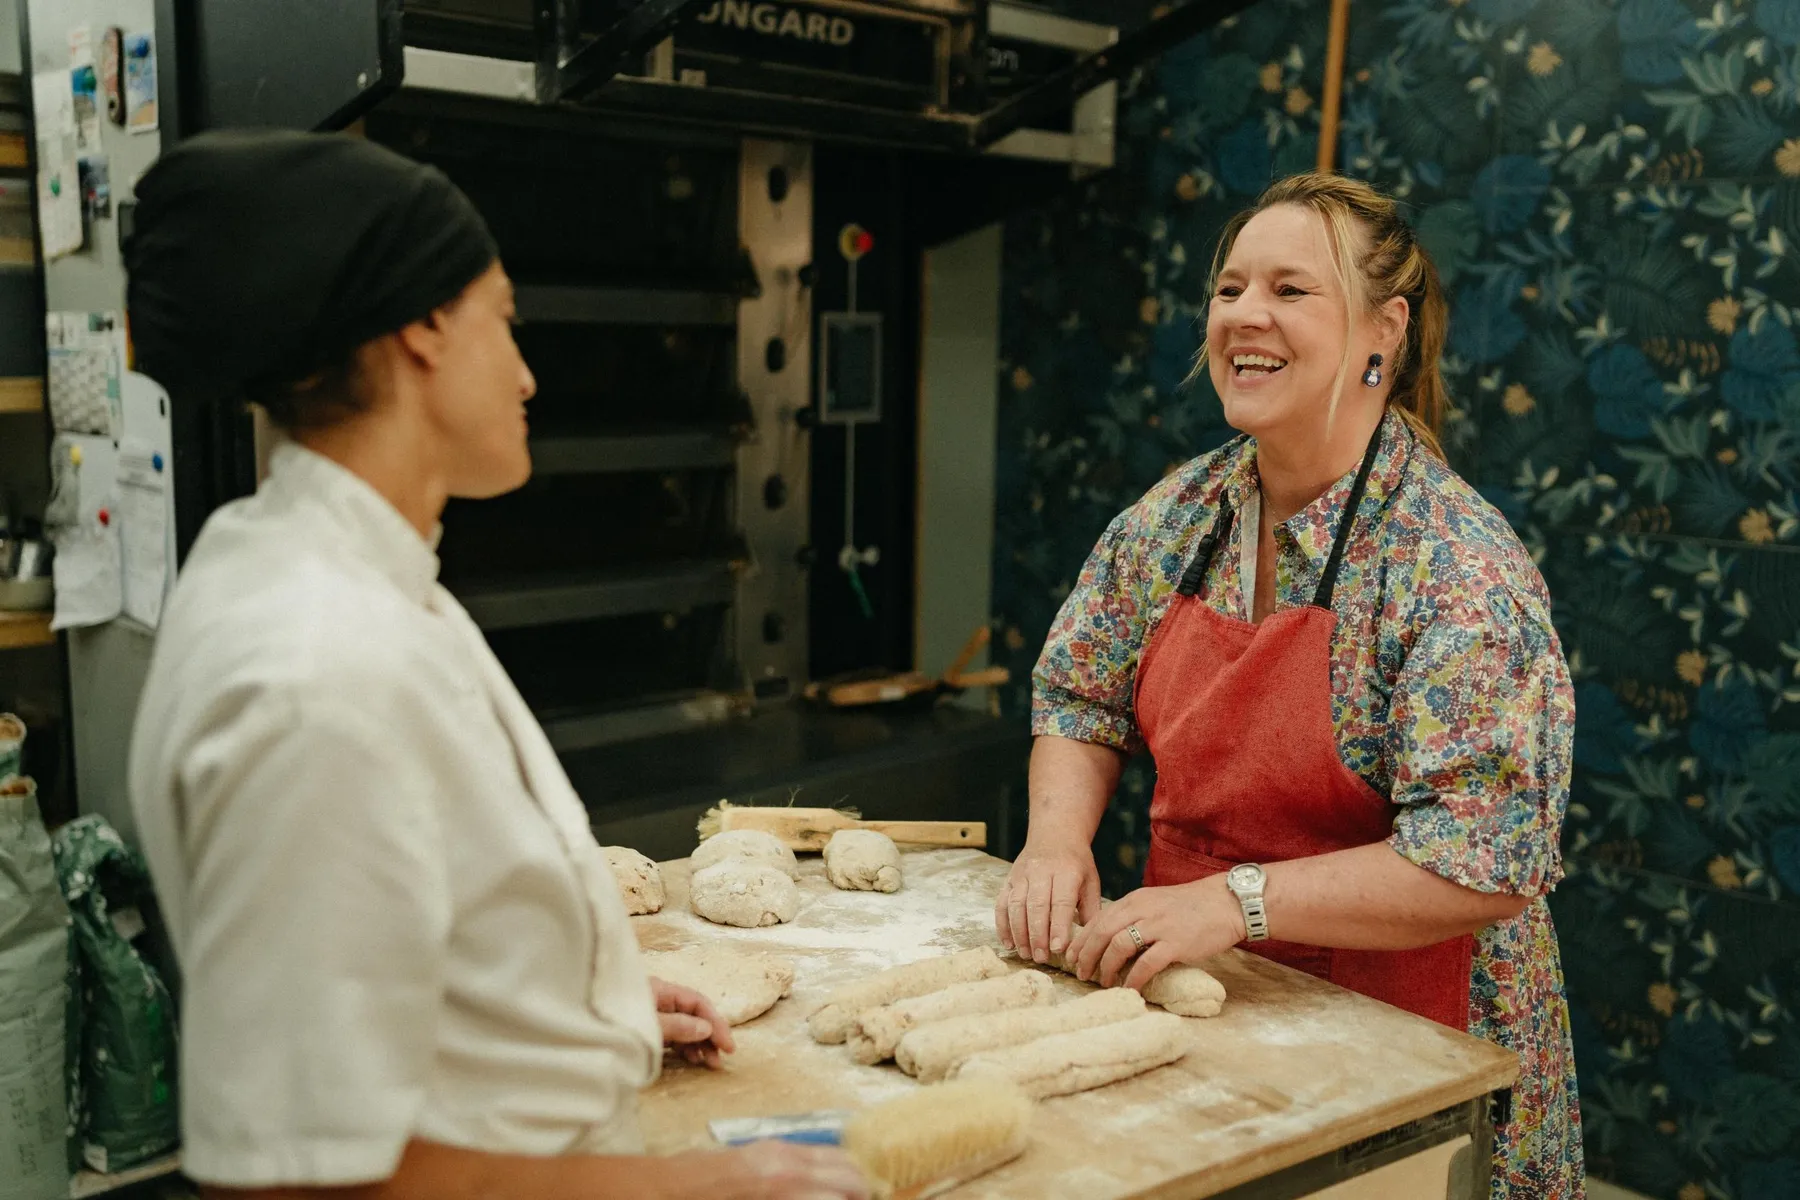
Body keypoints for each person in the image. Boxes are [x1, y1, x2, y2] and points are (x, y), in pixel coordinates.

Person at [125, 131, 868, 1200]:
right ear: (424, 325)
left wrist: (563, 1010)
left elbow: (393, 952)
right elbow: (305, 1185)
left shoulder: (358, 581)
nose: (525, 372)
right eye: (505, 318)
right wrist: (710, 1187)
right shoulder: (311, 672)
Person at [994, 173, 1582, 1198]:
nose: (1244, 315)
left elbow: (1483, 865)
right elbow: (1080, 694)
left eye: (1289, 290)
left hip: (1412, 1044)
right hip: (1201, 1000)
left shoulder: (1453, 567)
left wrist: (1236, 901)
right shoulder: (1181, 517)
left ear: (1381, 333)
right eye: (1229, 289)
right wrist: (1054, 841)